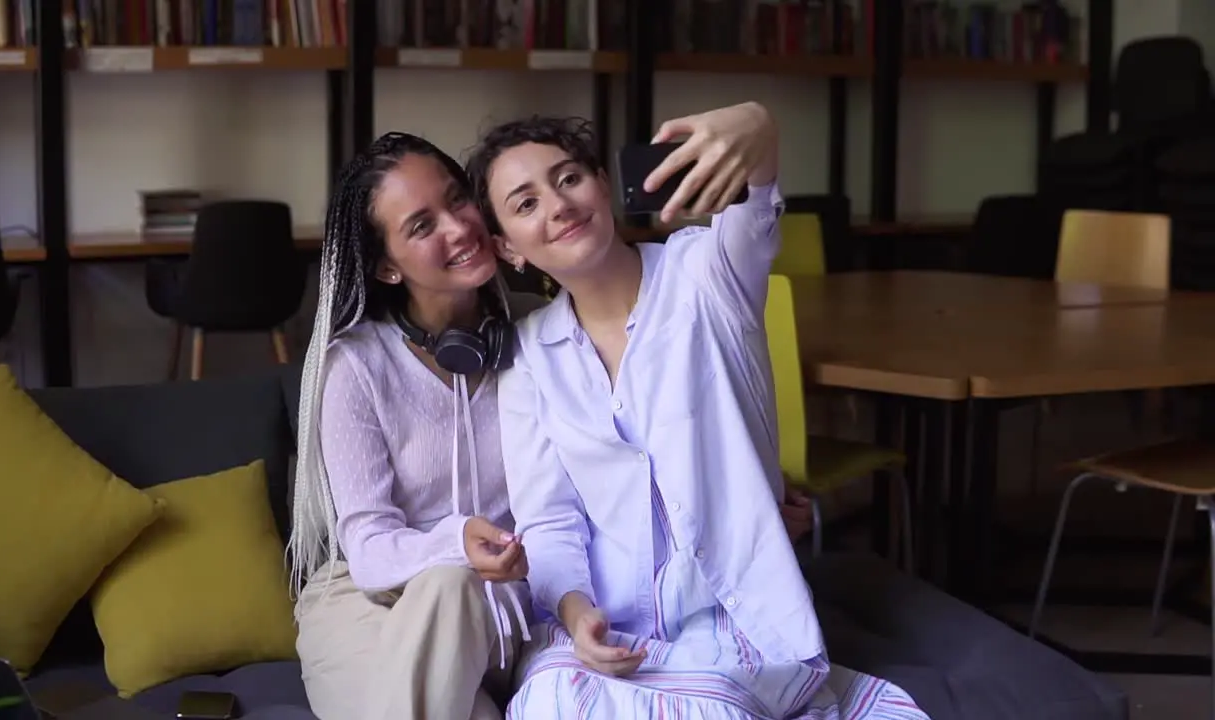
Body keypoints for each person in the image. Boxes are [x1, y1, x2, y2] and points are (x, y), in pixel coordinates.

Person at [466, 102, 930, 718]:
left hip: (732, 621)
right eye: (525, 204)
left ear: (603, 185)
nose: (558, 206)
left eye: (569, 178)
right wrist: (578, 619)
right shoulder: (528, 356)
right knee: (550, 703)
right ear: (507, 248)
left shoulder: (706, 271)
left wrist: (758, 126)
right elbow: (549, 519)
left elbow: (754, 202)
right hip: (605, 631)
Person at [287, 132, 543, 720]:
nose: (458, 228)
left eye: (458, 200)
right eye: (422, 226)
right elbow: (372, 550)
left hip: (515, 603)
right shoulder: (354, 366)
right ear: (386, 266)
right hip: (371, 603)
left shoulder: (543, 332)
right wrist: (457, 543)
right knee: (448, 584)